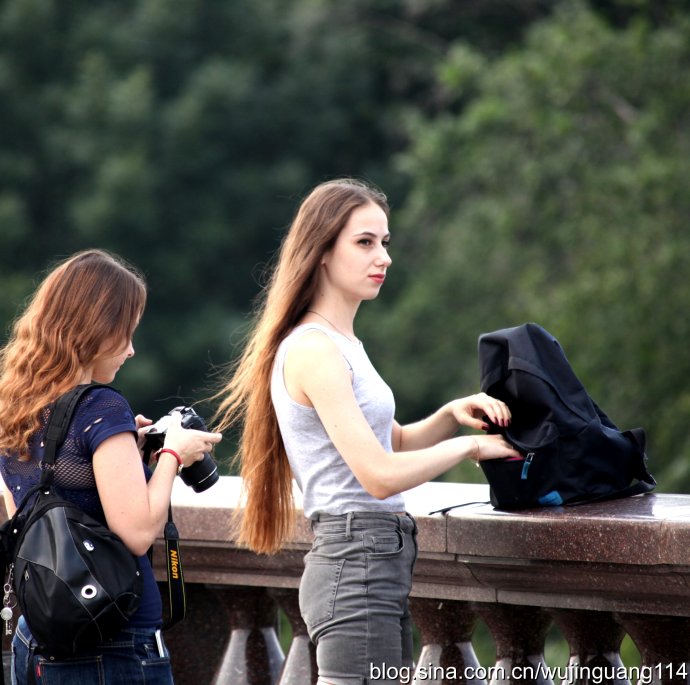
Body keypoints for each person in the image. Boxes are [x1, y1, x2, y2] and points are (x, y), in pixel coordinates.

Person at [212, 177, 520, 685]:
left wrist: (449, 414)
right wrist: (469, 446)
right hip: (356, 564)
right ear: (322, 253)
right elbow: (378, 476)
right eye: (364, 242)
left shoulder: (343, 342)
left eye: (385, 243)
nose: (384, 257)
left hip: (372, 561)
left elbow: (390, 442)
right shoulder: (315, 349)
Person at [0, 249, 222, 685]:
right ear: (95, 329)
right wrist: (172, 456)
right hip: (110, 641)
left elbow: (36, 497)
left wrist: (127, 450)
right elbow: (137, 533)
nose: (132, 350)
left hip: (37, 635)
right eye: (126, 332)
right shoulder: (102, 406)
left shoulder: (14, 405)